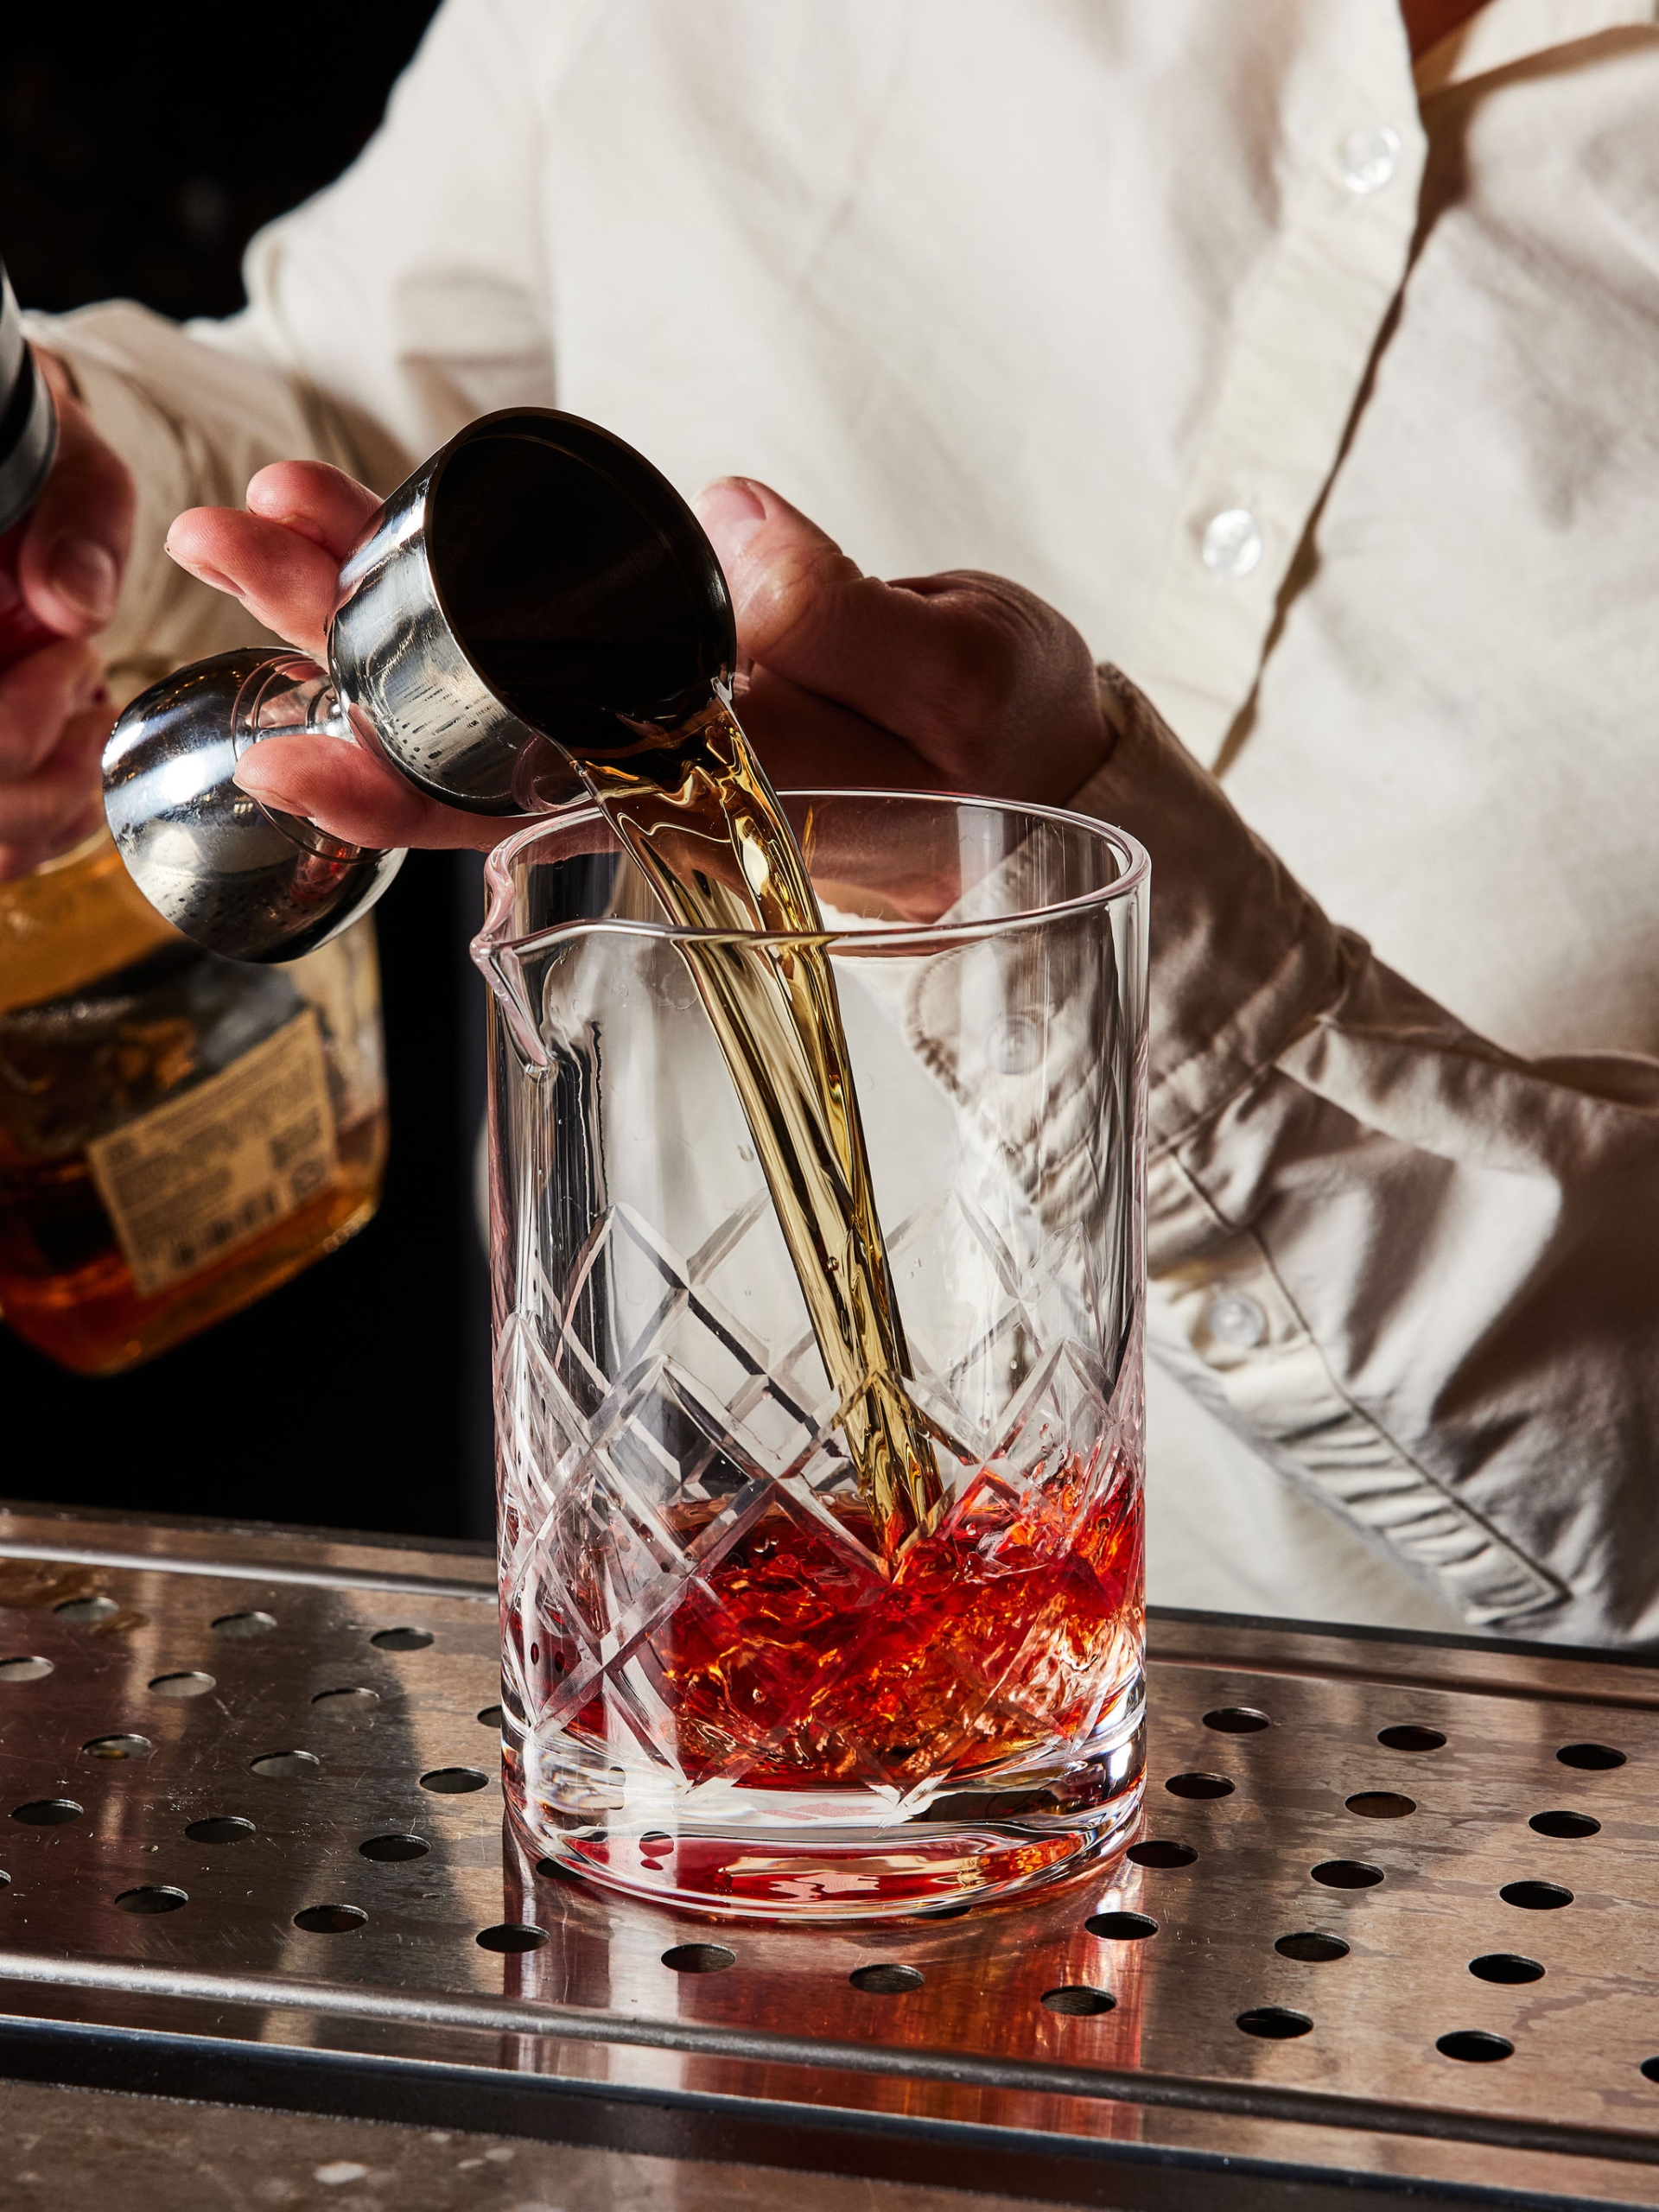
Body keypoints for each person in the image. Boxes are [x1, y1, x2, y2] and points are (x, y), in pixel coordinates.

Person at [8, 0, 1659, 1643]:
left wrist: (1052, 919)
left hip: (1488, 1770)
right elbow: (353, 429)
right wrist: (74, 495)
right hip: (671, 1654)